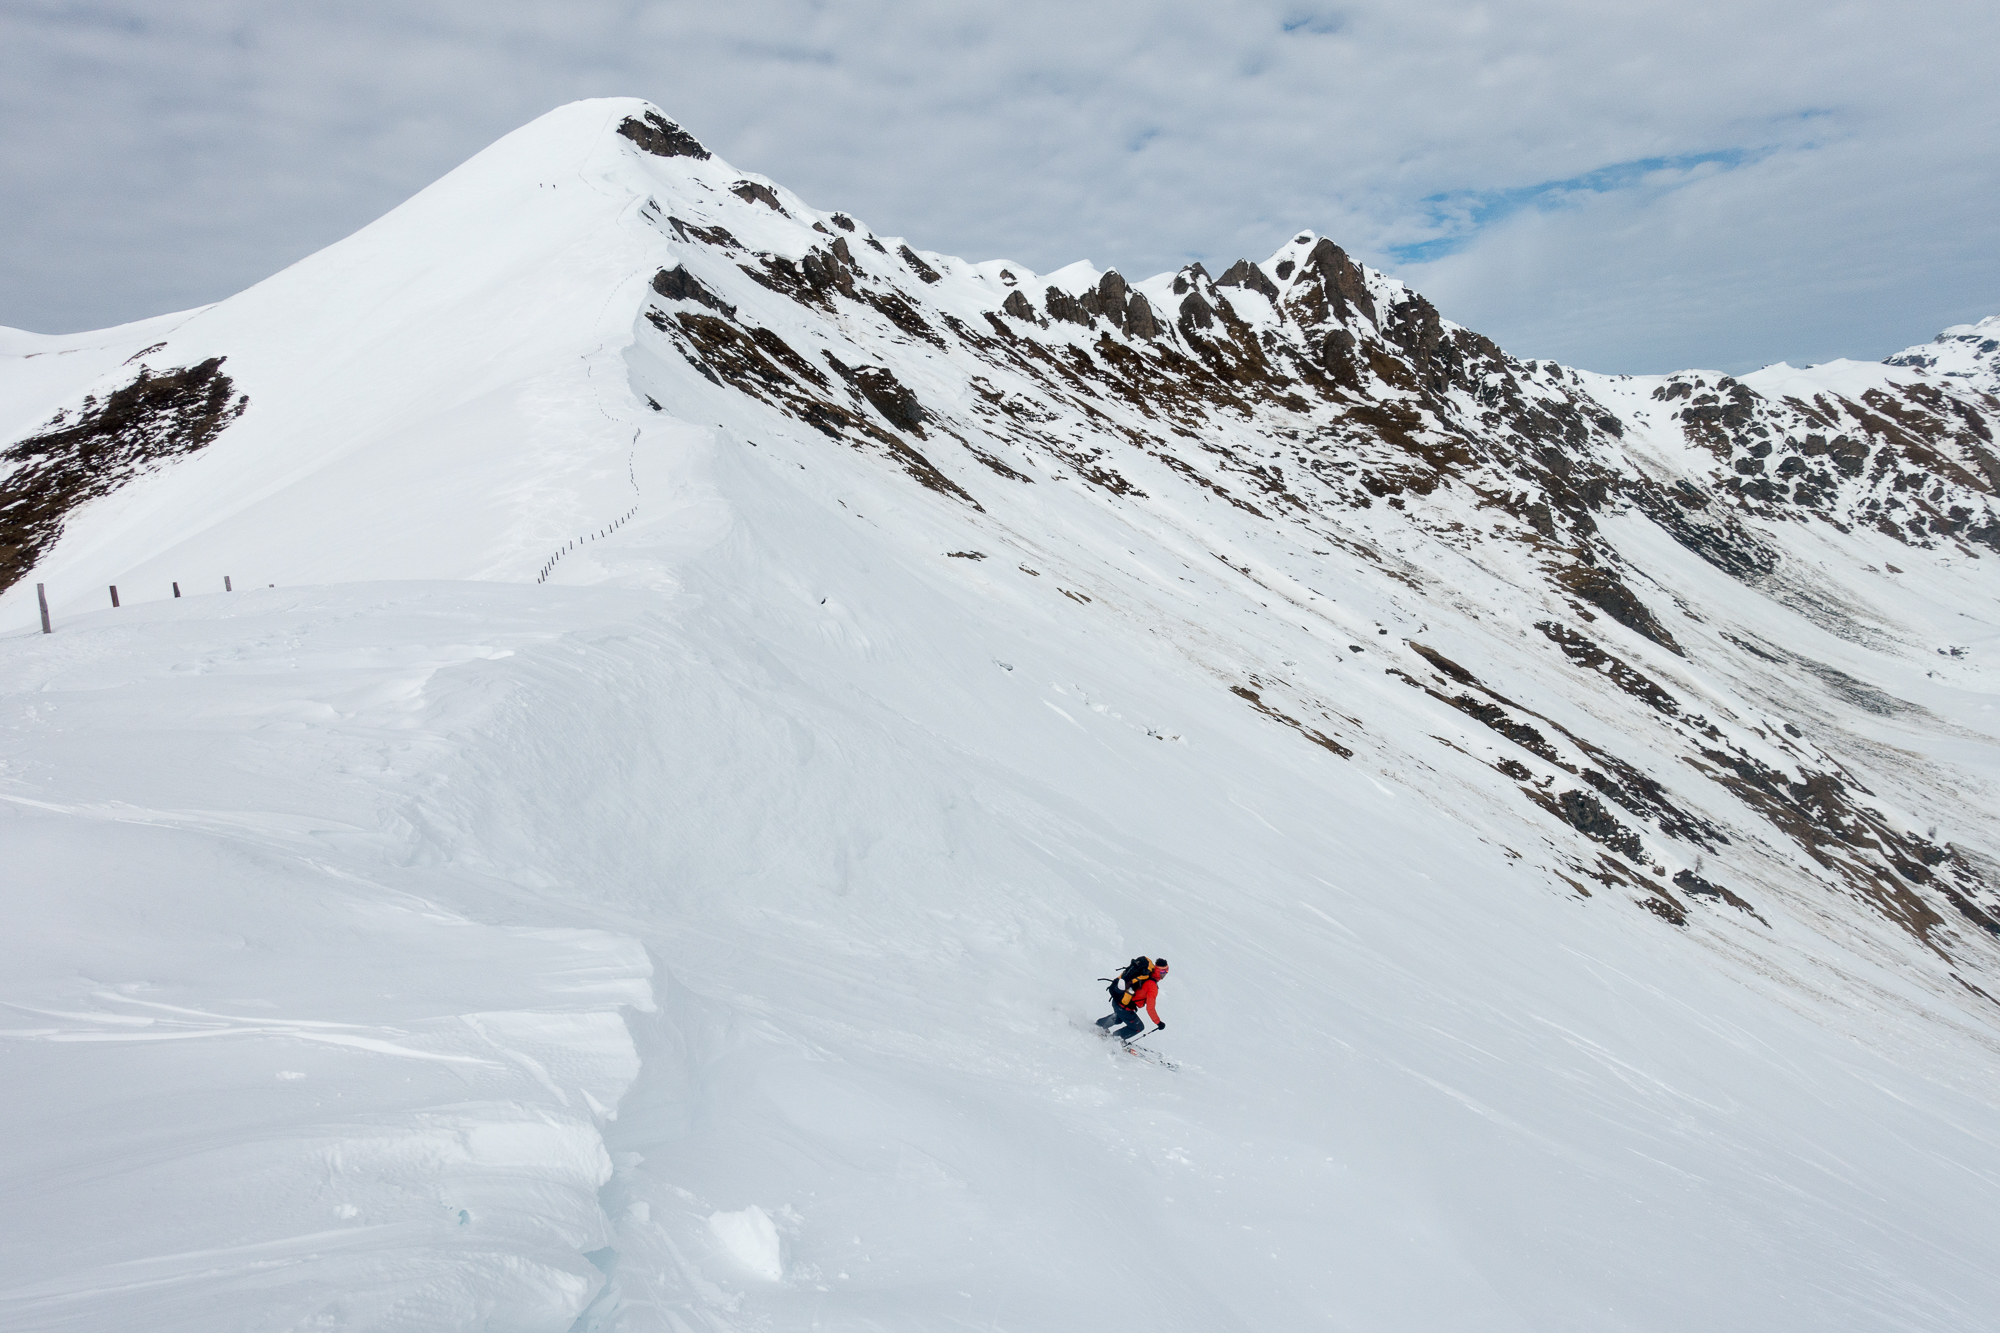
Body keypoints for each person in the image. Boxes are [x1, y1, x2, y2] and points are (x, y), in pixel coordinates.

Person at [1096, 957, 1168, 1042]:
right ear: (1158, 971)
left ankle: (1098, 1026)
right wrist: (1158, 1023)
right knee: (1138, 1027)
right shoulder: (1152, 986)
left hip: (1117, 1000)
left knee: (1119, 1018)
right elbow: (1150, 1008)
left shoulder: (1145, 974)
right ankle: (1114, 1039)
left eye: (1166, 972)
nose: (1165, 974)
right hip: (1125, 1007)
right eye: (1163, 972)